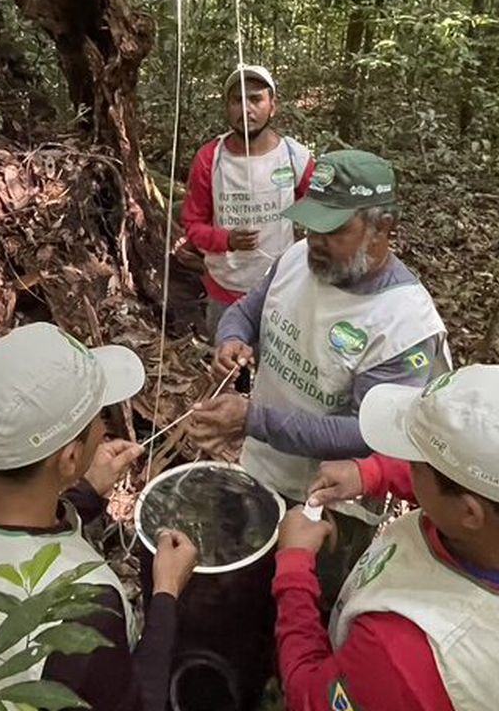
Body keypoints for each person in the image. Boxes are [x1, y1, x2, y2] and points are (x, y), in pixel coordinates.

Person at [187, 148, 448, 600]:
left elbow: (368, 436)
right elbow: (246, 311)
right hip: (259, 468)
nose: (317, 240)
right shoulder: (296, 260)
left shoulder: (404, 326)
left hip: (329, 503)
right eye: (310, 225)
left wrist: (253, 421)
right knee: (244, 593)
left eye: (335, 229)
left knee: (307, 600)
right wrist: (231, 339)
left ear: (383, 229)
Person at [277, 364, 499, 711]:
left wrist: (294, 567)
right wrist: (374, 473)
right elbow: (480, 490)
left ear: (469, 514)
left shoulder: (410, 654)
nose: (406, 464)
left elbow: (307, 696)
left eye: (416, 465)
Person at [0, 322, 200, 711]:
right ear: (68, 459)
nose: (104, 427)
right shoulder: (81, 614)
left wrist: (86, 494)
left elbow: (3, 542)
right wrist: (166, 593)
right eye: (99, 418)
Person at [178, 64, 315, 337]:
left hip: (279, 288)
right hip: (224, 288)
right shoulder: (210, 158)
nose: (245, 109)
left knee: (273, 366)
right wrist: (226, 240)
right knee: (228, 369)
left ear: (272, 105)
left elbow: (318, 213)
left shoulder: (294, 157)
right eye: (236, 100)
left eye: (255, 99)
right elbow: (193, 223)